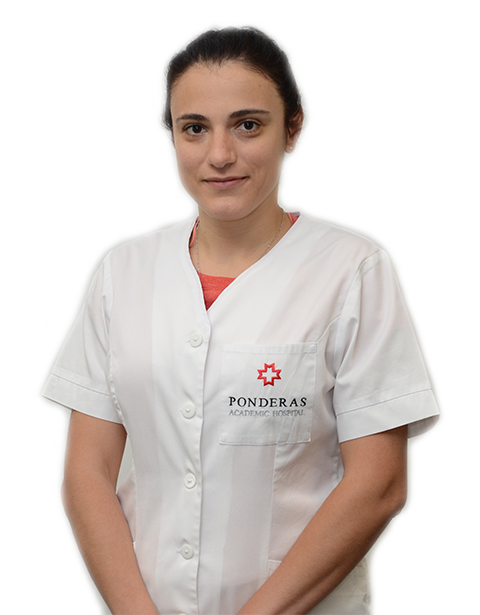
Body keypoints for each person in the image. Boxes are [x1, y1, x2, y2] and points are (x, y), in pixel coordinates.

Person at [42, 23, 440, 615]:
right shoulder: (122, 274)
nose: (220, 154)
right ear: (172, 136)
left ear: (293, 129)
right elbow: (86, 474)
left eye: (248, 125)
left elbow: (378, 485)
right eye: (194, 128)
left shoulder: (352, 271)